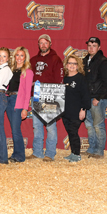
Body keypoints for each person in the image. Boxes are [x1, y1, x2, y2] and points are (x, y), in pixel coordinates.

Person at [28, 34, 63, 162]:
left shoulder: (56, 59)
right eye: (41, 43)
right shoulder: (32, 60)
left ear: (50, 44)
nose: (43, 45)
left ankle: (50, 153)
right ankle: (37, 152)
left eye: (45, 42)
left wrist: (56, 97)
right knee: (36, 126)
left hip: (49, 95)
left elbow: (60, 79)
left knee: (50, 125)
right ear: (38, 44)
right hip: (36, 95)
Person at [83, 37, 107, 159]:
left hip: (97, 98)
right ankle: (92, 149)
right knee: (89, 125)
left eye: (94, 46)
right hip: (87, 97)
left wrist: (99, 98)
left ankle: (99, 151)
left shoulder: (103, 61)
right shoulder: (85, 60)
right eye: (89, 45)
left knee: (98, 125)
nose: (91, 48)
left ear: (99, 47)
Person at [6, 46, 34, 163]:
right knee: (13, 129)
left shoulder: (28, 72)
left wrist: (25, 108)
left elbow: (27, 92)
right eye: (17, 55)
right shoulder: (10, 70)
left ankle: (20, 156)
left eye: (21, 55)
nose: (19, 58)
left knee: (16, 130)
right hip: (8, 99)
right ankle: (15, 154)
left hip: (18, 100)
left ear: (25, 57)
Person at [62, 55, 91, 162]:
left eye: (74, 64)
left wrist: (83, 109)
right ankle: (73, 153)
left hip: (77, 111)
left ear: (78, 66)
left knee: (73, 132)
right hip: (65, 112)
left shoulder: (81, 78)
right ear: (66, 65)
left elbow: (86, 95)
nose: (72, 66)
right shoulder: (64, 78)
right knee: (70, 132)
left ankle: (77, 155)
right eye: (70, 63)